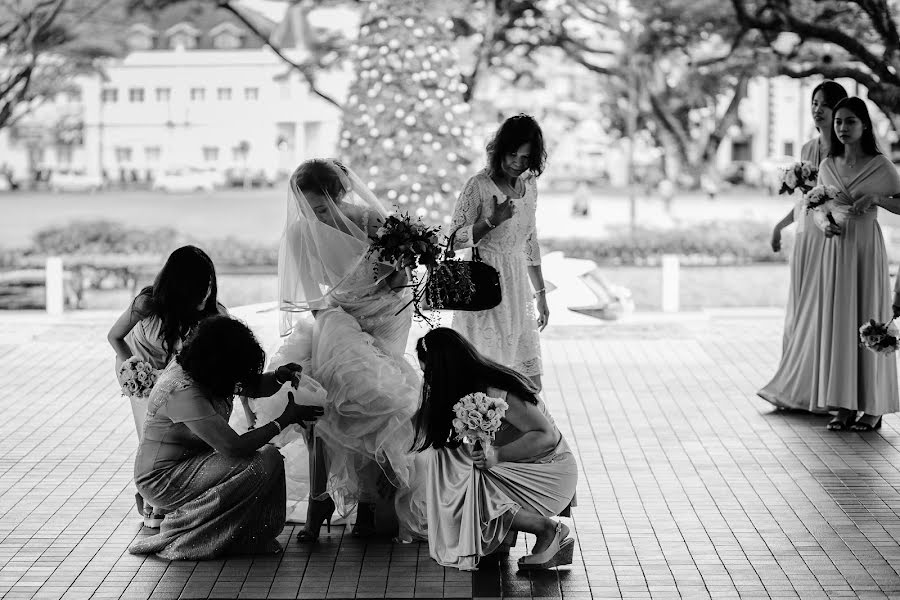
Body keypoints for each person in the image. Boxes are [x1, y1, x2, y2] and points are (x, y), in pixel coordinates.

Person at [252, 158, 422, 543]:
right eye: (307, 208)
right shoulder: (299, 235)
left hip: (386, 316)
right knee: (328, 396)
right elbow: (313, 299)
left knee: (374, 396)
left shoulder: (372, 223)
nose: (314, 216)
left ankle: (370, 502)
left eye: (322, 208)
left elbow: (399, 282)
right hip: (335, 315)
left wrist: (397, 269)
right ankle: (320, 498)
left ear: (340, 196)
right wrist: (339, 323)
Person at [128, 315, 324, 560]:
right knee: (263, 462)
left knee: (268, 459)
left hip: (192, 463)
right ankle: (195, 533)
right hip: (162, 479)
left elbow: (252, 386)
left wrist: (279, 376)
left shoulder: (207, 372)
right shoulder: (182, 391)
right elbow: (233, 447)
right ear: (220, 362)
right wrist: (284, 420)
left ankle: (239, 534)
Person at [409, 327, 577, 571]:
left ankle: (547, 529)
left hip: (549, 472)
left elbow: (546, 436)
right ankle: (502, 535)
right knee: (445, 457)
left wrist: (497, 455)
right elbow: (421, 427)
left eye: (431, 374)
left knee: (459, 470)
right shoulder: (463, 389)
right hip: (518, 467)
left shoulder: (497, 389)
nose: (429, 381)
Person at [107, 245, 229, 527]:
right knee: (149, 434)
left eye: (210, 284)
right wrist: (135, 369)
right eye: (201, 286)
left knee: (178, 436)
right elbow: (115, 337)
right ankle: (152, 501)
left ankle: (174, 496)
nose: (207, 292)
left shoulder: (212, 315)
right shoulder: (148, 303)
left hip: (174, 377)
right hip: (139, 369)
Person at [759, 81, 849, 412]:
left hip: (836, 237)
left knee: (825, 309)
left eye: (825, 103)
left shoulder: (848, 151)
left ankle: (828, 388)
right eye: (814, 102)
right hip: (808, 239)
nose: (817, 108)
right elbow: (805, 202)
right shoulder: (808, 150)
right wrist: (780, 226)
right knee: (801, 309)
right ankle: (800, 383)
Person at [814, 97, 900, 430]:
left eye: (850, 121)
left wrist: (877, 198)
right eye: (838, 122)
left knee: (870, 315)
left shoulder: (881, 166)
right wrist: (825, 224)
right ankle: (844, 404)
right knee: (839, 322)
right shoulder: (827, 164)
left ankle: (874, 407)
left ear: (864, 124)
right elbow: (818, 206)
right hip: (836, 250)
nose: (843, 127)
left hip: (866, 246)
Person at [448, 114, 549, 390]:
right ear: (500, 150)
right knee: (490, 383)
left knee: (528, 385)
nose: (518, 163)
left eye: (526, 158)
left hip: (518, 292)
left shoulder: (529, 185)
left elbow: (530, 239)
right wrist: (492, 221)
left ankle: (517, 432)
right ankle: (484, 430)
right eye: (513, 154)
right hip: (486, 290)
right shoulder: (478, 186)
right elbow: (454, 239)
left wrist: (540, 294)